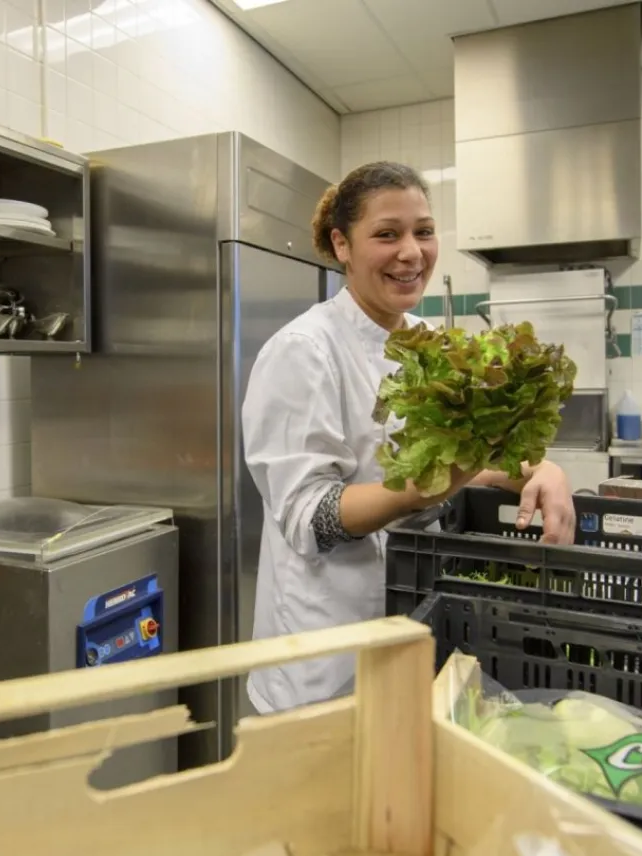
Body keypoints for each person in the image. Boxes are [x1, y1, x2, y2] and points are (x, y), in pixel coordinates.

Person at [240, 160, 577, 714]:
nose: (412, 252)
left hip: (420, 628)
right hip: (330, 654)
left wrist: (537, 469)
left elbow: (464, 453)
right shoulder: (304, 351)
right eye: (387, 235)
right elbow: (309, 515)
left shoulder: (427, 342)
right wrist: (429, 489)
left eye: (423, 231)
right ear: (342, 245)